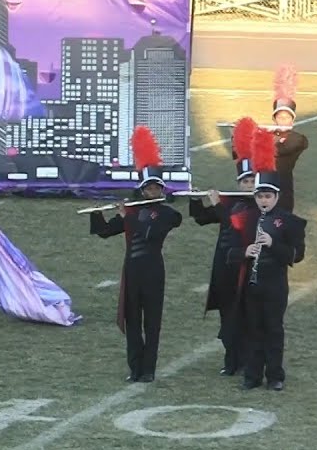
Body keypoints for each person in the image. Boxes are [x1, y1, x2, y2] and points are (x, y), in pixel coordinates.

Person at [91, 126, 183, 383]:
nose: (152, 192)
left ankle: (149, 370)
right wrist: (98, 214)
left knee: (151, 324)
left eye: (156, 188)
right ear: (142, 190)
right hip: (132, 272)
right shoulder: (132, 211)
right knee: (133, 323)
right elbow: (106, 232)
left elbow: (151, 234)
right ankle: (135, 368)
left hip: (153, 272)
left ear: (161, 190)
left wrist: (126, 218)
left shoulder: (167, 214)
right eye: (148, 188)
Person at [231, 134, 307, 391]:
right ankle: (252, 376)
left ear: (276, 196)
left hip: (275, 285)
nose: (264, 200)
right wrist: (245, 251)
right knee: (253, 330)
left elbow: (297, 255)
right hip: (252, 285)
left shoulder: (288, 221)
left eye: (268, 196)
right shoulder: (245, 218)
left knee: (273, 330)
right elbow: (229, 251)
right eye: (260, 195)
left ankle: (275, 375)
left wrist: (274, 246)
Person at [190, 116, 259, 376]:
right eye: (245, 182)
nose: (248, 186)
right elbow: (203, 219)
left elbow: (238, 224)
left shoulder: (260, 206)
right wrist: (198, 201)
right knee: (228, 318)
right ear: (239, 183)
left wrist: (218, 204)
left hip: (248, 270)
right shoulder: (231, 201)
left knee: (248, 318)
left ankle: (248, 361)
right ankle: (231, 362)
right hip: (226, 269)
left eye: (252, 182)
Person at [267, 96, 308, 214]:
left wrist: (264, 140)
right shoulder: (267, 135)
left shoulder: (298, 138)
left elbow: (282, 150)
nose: (283, 120)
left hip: (283, 187)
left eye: (287, 117)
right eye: (280, 117)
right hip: (264, 184)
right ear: (274, 119)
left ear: (292, 120)